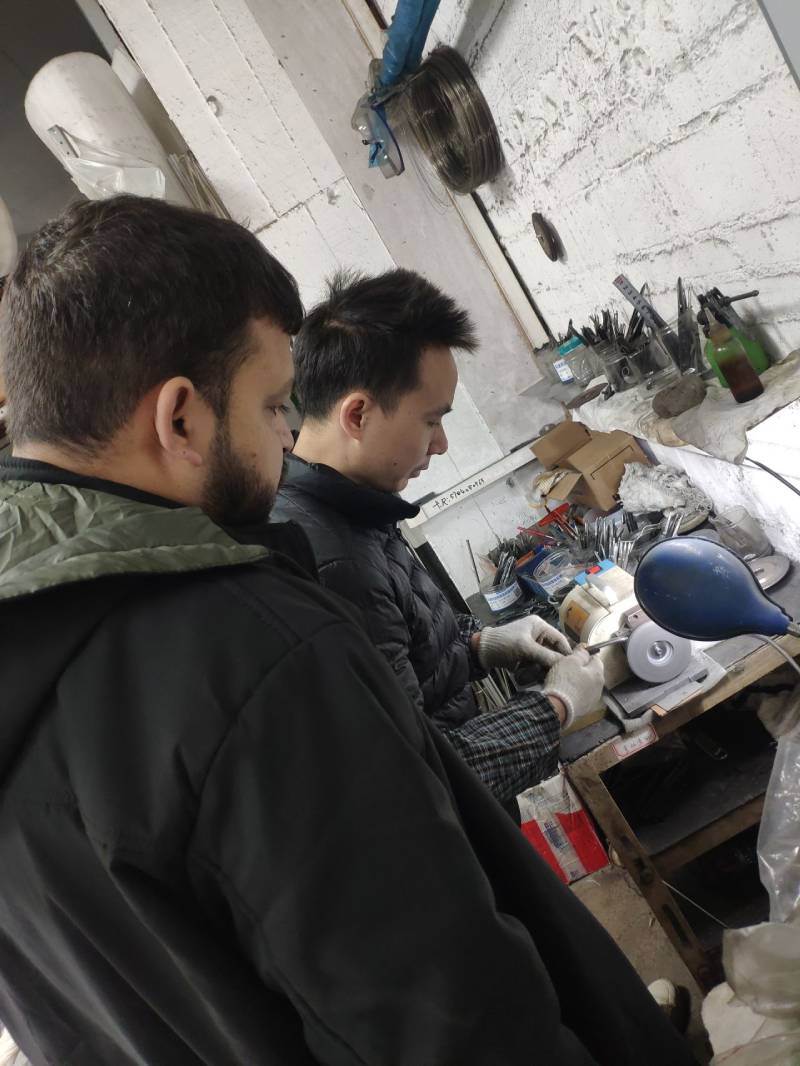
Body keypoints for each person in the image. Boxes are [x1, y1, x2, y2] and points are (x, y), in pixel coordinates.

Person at [0, 195, 695, 1066]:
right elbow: (451, 1026)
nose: (286, 438)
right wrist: (555, 708)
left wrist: (480, 644)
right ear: (179, 419)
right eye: (271, 406)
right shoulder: (253, 646)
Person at [273, 269, 604, 818]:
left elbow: (406, 654)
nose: (442, 443)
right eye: (431, 421)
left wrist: (478, 646)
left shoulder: (350, 509)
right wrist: (556, 706)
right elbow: (422, 779)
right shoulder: (332, 562)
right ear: (357, 414)